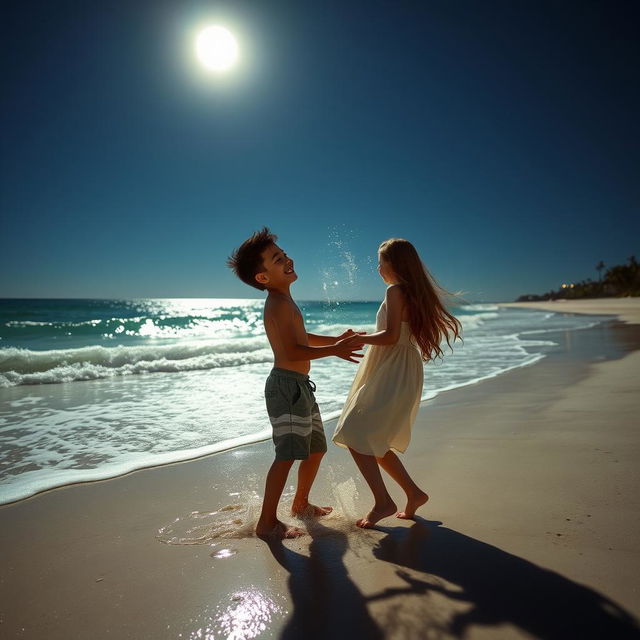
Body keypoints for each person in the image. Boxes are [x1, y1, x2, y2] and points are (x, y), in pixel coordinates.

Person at [228, 228, 364, 539]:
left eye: (284, 254)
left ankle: (301, 504)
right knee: (287, 454)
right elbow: (290, 350)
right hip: (286, 388)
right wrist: (334, 350)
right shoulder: (277, 303)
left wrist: (335, 340)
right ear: (263, 278)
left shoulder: (286, 301)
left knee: (316, 449)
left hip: (301, 386)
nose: (287, 259)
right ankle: (266, 522)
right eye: (277, 259)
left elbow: (301, 339)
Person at [332, 238, 462, 528]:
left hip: (392, 366)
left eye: (381, 261)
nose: (378, 268)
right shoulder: (412, 293)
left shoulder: (395, 291)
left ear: (394, 264)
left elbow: (391, 336)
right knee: (372, 437)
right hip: (401, 366)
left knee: (355, 431)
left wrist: (359, 338)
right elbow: (397, 335)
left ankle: (383, 502)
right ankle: (414, 494)